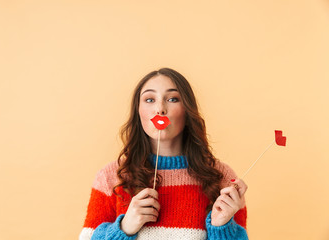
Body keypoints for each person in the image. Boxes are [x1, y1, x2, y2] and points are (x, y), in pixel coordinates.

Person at [79, 68, 249, 240]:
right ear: (138, 112)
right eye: (150, 99)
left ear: (187, 110)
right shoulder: (111, 177)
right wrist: (124, 228)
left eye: (172, 99)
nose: (160, 109)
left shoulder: (222, 179)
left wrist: (222, 228)